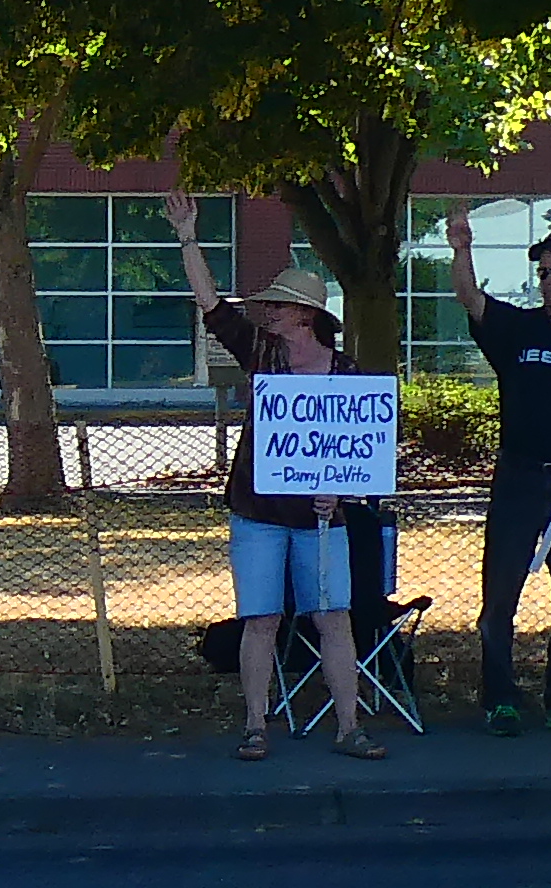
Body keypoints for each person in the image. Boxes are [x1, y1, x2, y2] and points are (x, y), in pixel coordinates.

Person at [156, 201, 383, 762]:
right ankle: (256, 725)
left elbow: (362, 449)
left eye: (278, 308)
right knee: (260, 618)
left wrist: (342, 489)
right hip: (258, 511)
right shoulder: (261, 354)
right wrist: (189, 237)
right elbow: (211, 305)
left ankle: (350, 727)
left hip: (320, 519)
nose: (268, 316)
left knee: (334, 617)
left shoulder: (347, 372)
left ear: (305, 315)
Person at [447, 210, 551, 734]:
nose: (549, 283)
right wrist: (461, 249)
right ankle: (499, 697)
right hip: (518, 478)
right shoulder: (519, 330)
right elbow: (471, 300)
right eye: (543, 273)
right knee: (500, 594)